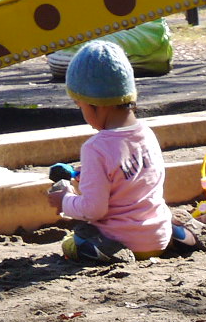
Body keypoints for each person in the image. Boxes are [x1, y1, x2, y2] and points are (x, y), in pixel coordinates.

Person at [45, 40, 177, 263]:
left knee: (73, 242)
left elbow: (93, 209)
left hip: (123, 240)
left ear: (97, 104)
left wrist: (64, 200)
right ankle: (181, 234)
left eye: (80, 106)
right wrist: (86, 174)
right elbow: (129, 179)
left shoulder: (96, 148)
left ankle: (114, 253)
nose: (82, 114)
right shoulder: (146, 133)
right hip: (158, 238)